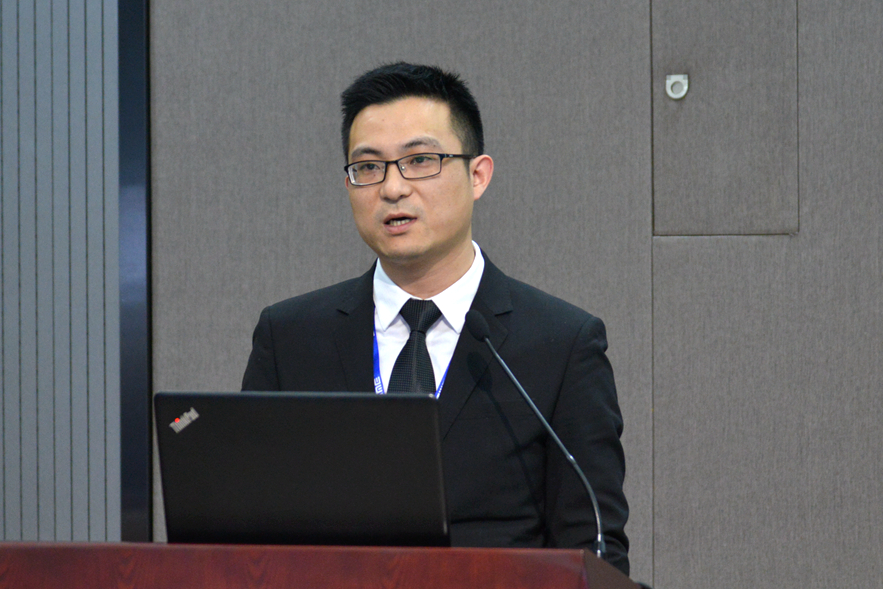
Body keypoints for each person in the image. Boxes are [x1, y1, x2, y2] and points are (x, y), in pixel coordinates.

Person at [241, 62, 630, 575]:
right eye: (368, 167)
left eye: (420, 160)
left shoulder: (560, 345)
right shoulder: (291, 338)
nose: (392, 188)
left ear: (478, 175)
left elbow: (594, 552)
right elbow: (245, 541)